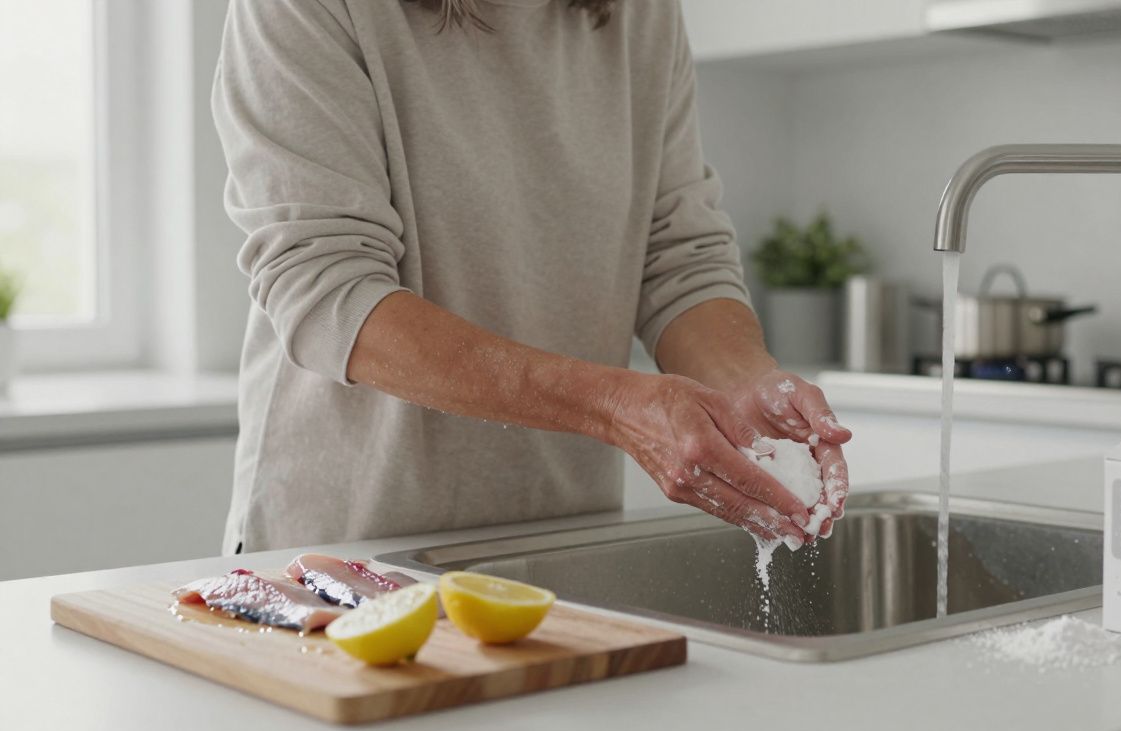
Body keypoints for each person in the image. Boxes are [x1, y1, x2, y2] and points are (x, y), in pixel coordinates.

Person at [213, 0, 852, 554]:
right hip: (349, 546)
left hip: (561, 540)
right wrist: (615, 407)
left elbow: (677, 253)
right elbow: (330, 295)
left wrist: (746, 385)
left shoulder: (641, 13)